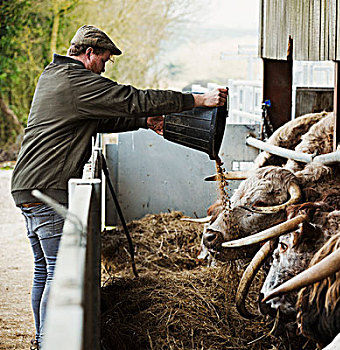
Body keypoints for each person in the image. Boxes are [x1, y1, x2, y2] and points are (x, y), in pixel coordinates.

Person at [10, 24, 228, 349]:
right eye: (104, 60)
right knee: (57, 273)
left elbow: (103, 119)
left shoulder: (54, 76)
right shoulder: (77, 81)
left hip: (28, 185)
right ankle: (47, 343)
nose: (104, 68)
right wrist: (198, 100)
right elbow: (131, 99)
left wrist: (145, 122)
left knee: (44, 270)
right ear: (89, 54)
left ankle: (41, 340)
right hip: (48, 188)